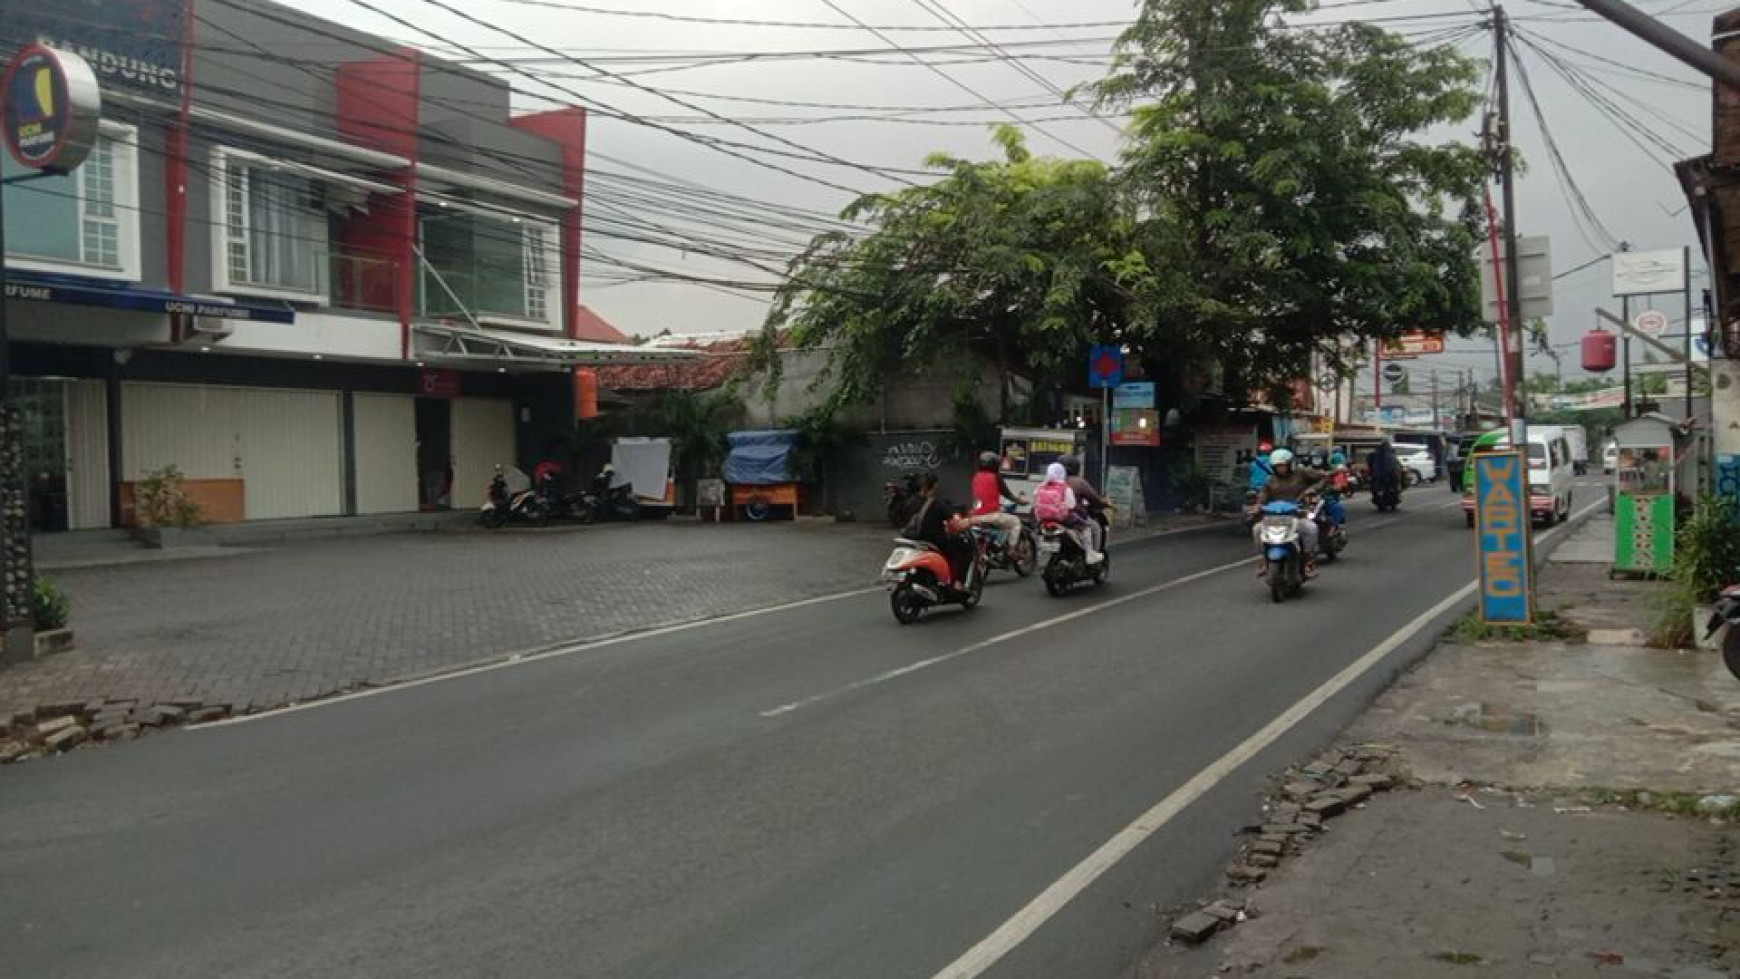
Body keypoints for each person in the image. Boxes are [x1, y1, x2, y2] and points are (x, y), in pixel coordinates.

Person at [1254, 448, 1325, 576]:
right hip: (1274, 518)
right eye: (1278, 466)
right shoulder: (1270, 480)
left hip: (1298, 514)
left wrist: (1312, 490)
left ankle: (1309, 560)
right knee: (1257, 529)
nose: (1281, 468)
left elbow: (1322, 478)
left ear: (1290, 464)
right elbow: (1263, 496)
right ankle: (1263, 560)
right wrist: (1258, 506)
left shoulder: (1302, 473)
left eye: (1283, 465)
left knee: (1311, 528)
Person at [909, 473, 975, 586]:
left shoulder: (911, 502)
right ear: (935, 486)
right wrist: (965, 524)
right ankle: (958, 582)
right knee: (966, 549)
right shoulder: (938, 503)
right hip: (935, 541)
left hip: (913, 539)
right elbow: (954, 524)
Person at [1033, 462, 1104, 565]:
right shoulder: (1065, 487)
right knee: (1086, 527)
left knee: (1038, 532)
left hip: (1042, 519)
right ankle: (1090, 554)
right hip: (1061, 518)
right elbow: (1071, 505)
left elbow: (1035, 501)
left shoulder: (1040, 487)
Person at [1060, 454, 1110, 562]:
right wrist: (1103, 503)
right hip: (1072, 516)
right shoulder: (1078, 482)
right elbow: (1093, 497)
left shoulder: (1053, 481)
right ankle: (1093, 555)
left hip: (1053, 516)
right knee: (1095, 527)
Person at [968, 451, 1026, 542]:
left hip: (975, 515)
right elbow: (1008, 494)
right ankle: (1012, 549)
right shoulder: (995, 477)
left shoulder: (976, 476)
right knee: (1016, 522)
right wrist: (1021, 502)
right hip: (991, 515)